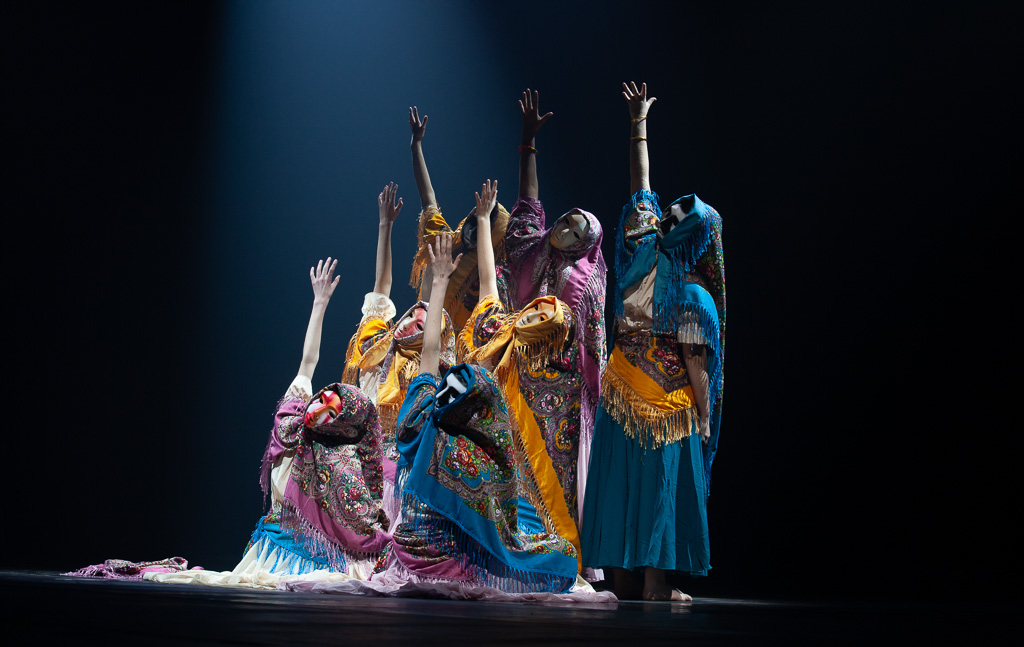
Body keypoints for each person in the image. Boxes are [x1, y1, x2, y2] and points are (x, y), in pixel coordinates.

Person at [146, 258, 390, 588]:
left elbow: (362, 532)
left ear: (343, 424)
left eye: (330, 407)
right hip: (273, 553)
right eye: (321, 397)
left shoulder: (344, 461)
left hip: (319, 562)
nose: (318, 404)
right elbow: (308, 363)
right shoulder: (291, 425)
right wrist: (319, 304)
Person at [581, 82, 727, 601]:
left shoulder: (638, 248)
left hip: (621, 386)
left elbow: (639, 185)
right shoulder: (693, 294)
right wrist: (706, 415)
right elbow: (695, 362)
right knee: (658, 490)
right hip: (667, 400)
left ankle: (620, 580)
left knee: (623, 485)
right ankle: (656, 584)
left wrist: (637, 125)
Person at [375, 234, 579, 593]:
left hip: (458, 543)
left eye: (545, 317)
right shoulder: (426, 412)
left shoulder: (481, 443)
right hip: (413, 548)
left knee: (549, 543)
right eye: (446, 388)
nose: (445, 395)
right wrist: (438, 282)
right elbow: (432, 350)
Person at [457, 180, 585, 575]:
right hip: (493, 441)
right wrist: (482, 221)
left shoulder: (558, 373)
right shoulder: (497, 329)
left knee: (546, 501)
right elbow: (488, 284)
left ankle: (556, 563)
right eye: (532, 310)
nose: (532, 315)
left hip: (536, 451)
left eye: (542, 318)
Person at [504, 90, 608, 523]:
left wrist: (595, 396)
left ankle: (563, 556)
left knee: (556, 476)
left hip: (562, 393)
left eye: (577, 226)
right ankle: (517, 556)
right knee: (514, 467)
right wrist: (528, 143)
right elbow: (529, 203)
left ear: (588, 242)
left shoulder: (589, 281)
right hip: (519, 375)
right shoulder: (534, 248)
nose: (566, 226)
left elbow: (595, 341)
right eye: (566, 218)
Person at [341, 183, 457, 524]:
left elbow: (434, 345)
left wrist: (439, 283)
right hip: (352, 452)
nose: (408, 323)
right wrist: (385, 226)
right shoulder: (373, 345)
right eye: (409, 316)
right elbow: (382, 287)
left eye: (421, 325)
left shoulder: (426, 368)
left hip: (393, 464)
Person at [405, 106, 511, 331]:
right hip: (417, 335)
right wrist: (416, 146)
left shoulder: (489, 278)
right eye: (475, 219)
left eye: (484, 226)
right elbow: (428, 199)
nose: (473, 231)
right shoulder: (444, 242)